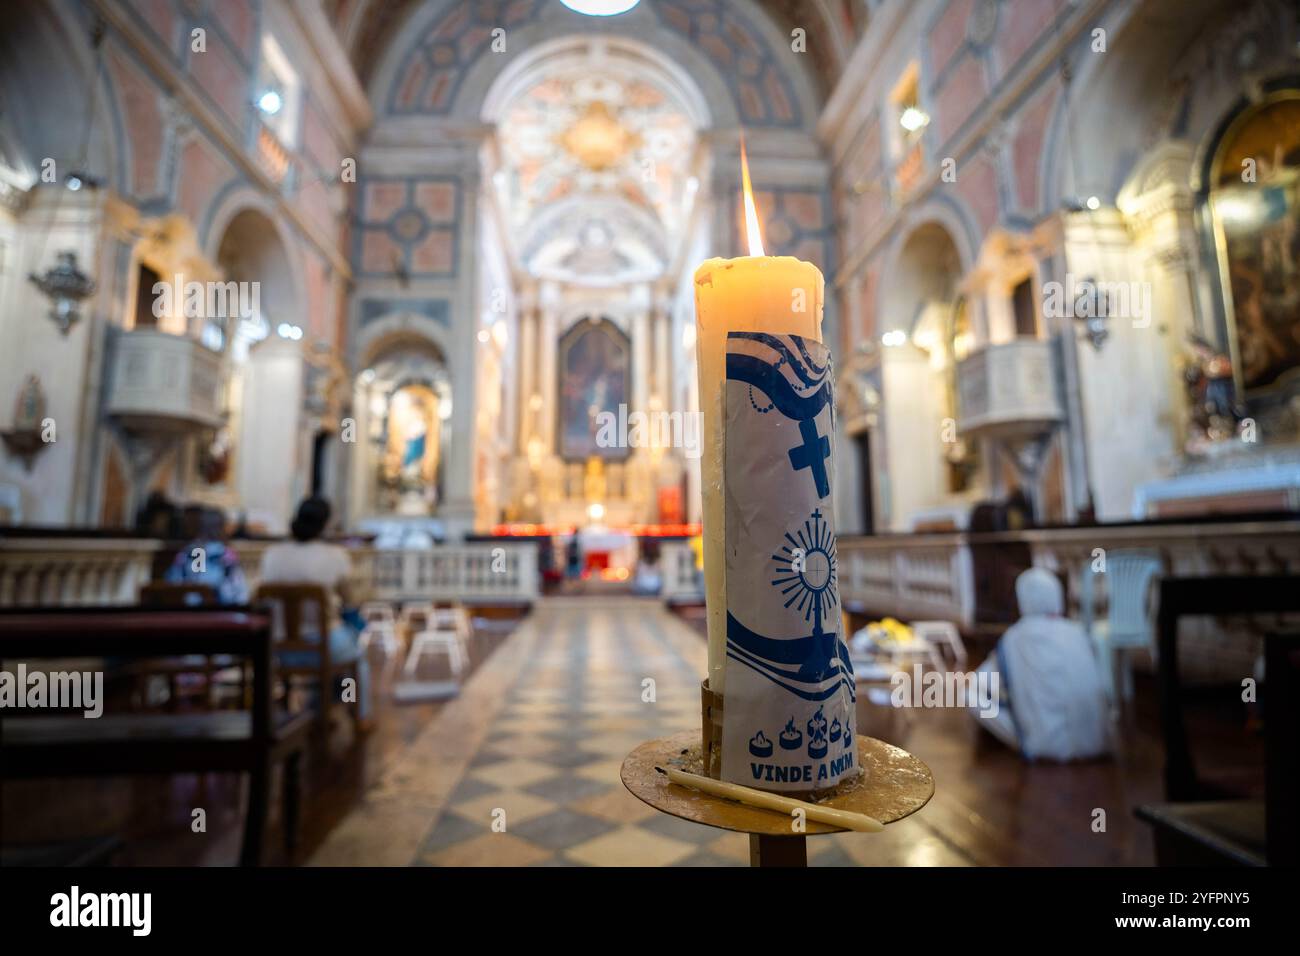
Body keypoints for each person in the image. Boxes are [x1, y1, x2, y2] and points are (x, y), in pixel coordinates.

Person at [970, 567, 1111, 761]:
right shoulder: (1076, 631)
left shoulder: (1014, 637)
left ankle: (1025, 741)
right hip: (1097, 744)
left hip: (1044, 747)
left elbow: (980, 682)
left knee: (969, 695)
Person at [259, 497, 371, 722]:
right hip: (325, 645)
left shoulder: (272, 555)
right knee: (355, 661)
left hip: (280, 648)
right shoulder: (335, 557)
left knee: (343, 645)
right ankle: (356, 710)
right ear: (326, 523)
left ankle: (319, 707)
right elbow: (350, 601)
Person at [164, 508, 249, 605]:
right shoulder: (221, 553)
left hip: (191, 611)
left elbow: (180, 585)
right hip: (220, 610)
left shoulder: (192, 551)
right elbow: (239, 593)